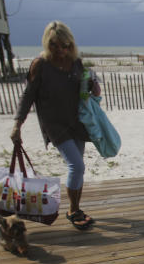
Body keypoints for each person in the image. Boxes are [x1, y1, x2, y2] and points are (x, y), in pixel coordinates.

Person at [11, 21, 100, 230]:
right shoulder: (40, 65)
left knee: (78, 169)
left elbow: (87, 92)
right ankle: (73, 210)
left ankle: (75, 208)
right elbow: (27, 97)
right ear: (47, 44)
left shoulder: (76, 62)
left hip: (77, 121)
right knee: (76, 165)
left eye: (65, 46)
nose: (61, 50)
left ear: (71, 45)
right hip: (54, 124)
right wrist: (17, 124)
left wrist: (92, 83)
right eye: (55, 46)